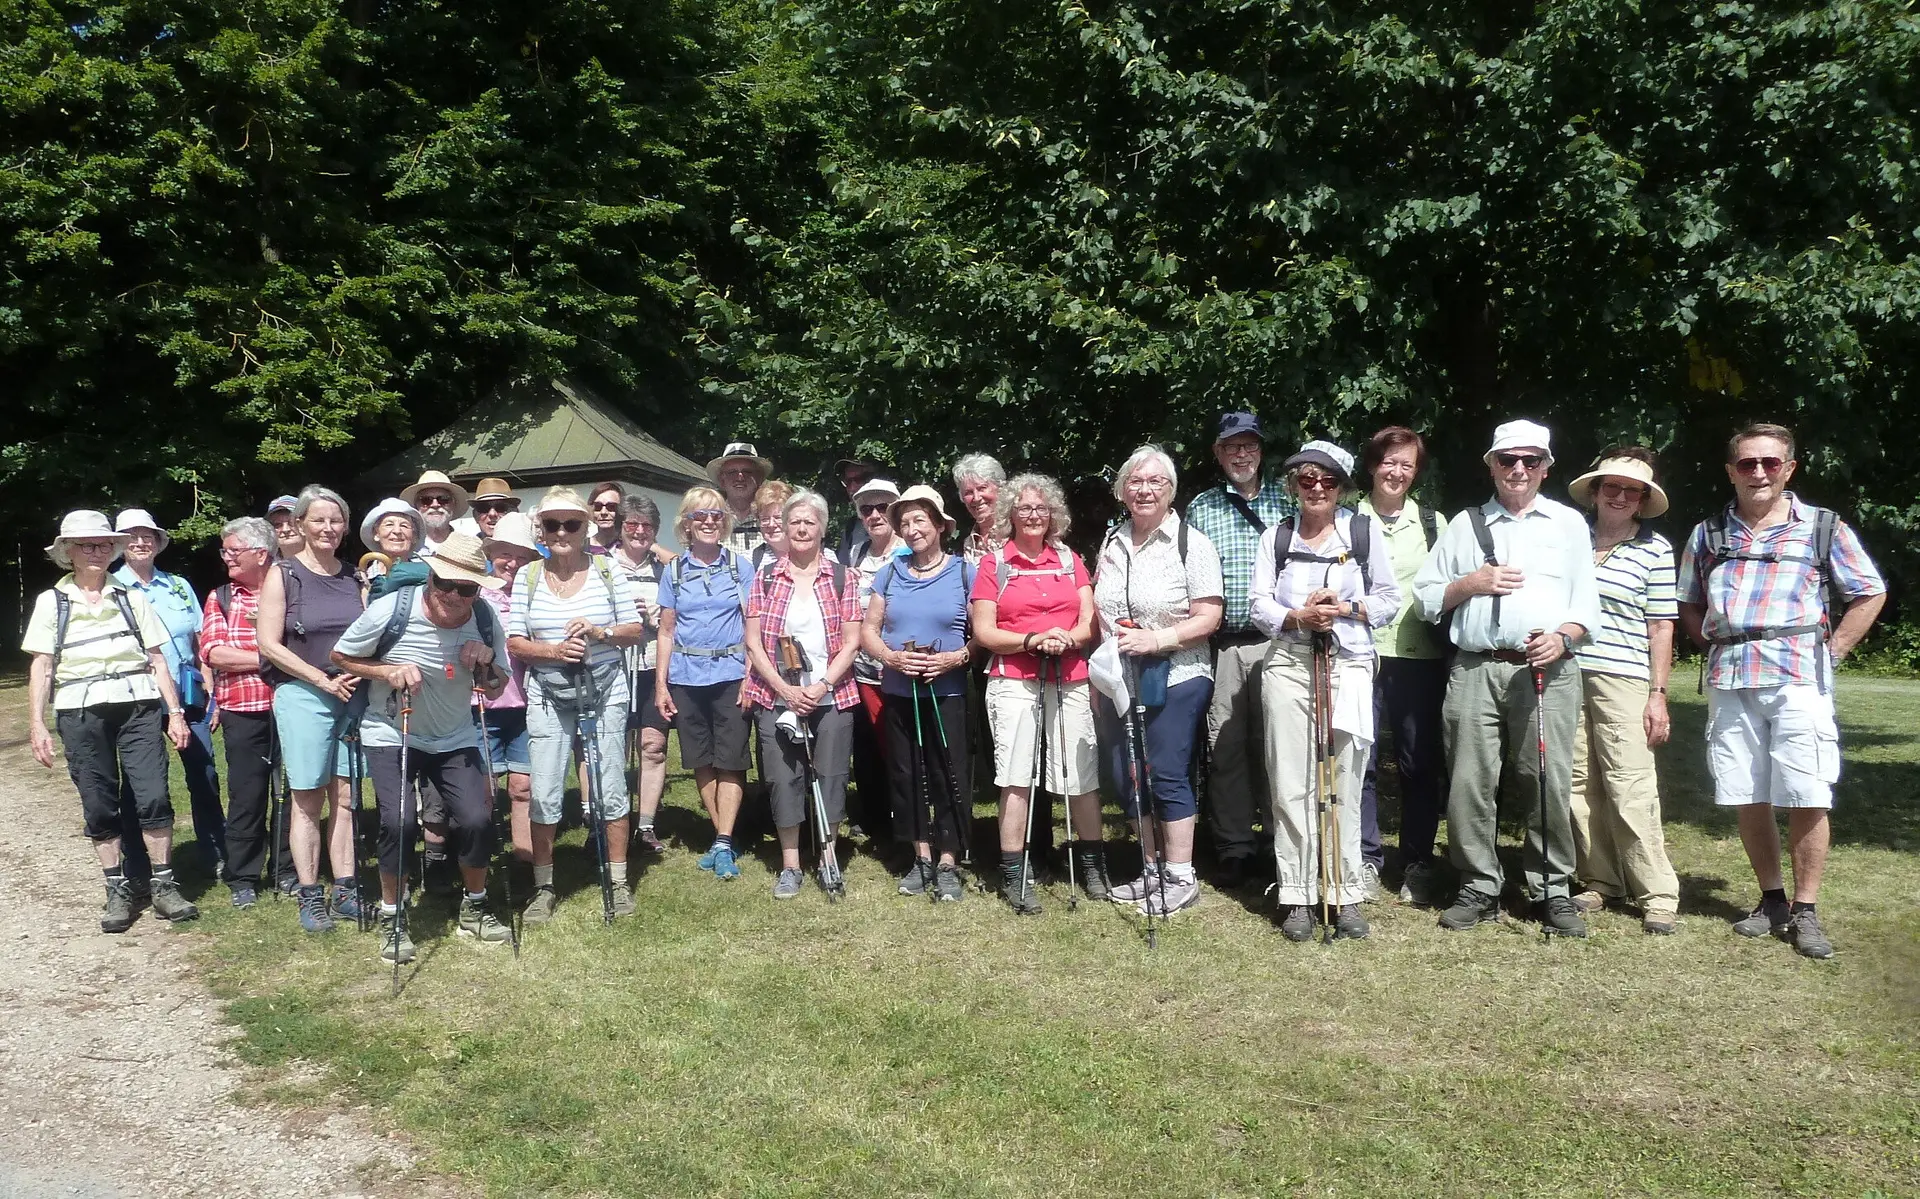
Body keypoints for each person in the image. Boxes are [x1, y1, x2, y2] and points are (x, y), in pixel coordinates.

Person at [1677, 423, 1886, 959]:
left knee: (1807, 791)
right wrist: (1709, 641)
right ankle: (1771, 900)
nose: (1760, 473)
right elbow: (1689, 599)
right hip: (1731, 678)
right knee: (1748, 791)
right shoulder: (1708, 533)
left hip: (1798, 677)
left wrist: (1834, 651)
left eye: (1771, 462)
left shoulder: (1823, 528)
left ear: (1789, 468)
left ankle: (1806, 911)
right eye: (1747, 464)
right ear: (1731, 471)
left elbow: (1868, 591)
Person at [1412, 420, 1603, 937]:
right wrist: (1470, 583)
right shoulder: (1465, 525)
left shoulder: (1568, 524)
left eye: (1531, 461)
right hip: (1475, 669)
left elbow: (1588, 602)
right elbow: (1426, 598)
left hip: (1549, 670)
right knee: (1470, 782)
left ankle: (1552, 888)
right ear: (1491, 465)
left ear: (1547, 467)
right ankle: (1478, 884)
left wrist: (1564, 636)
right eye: (1508, 460)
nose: (1519, 470)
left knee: (1545, 778)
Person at [333, 532, 513, 962]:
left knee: (476, 819)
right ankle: (393, 916)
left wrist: (486, 663)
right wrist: (388, 670)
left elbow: (496, 686)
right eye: (445, 583)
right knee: (399, 823)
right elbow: (341, 656)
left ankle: (475, 906)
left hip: (454, 736)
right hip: (392, 731)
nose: (453, 594)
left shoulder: (484, 617)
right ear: (430, 578)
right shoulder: (392, 609)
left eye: (466, 587)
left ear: (477, 590)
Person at [1249, 442, 1401, 940]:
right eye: (1307, 480)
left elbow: (1389, 599)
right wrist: (1297, 615)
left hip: (1349, 664)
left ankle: (1344, 892)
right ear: (1293, 484)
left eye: (1327, 481)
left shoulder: (1362, 530)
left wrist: (1345, 608)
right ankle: (1296, 893)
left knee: (1344, 780)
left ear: (1341, 486)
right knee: (1291, 780)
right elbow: (1258, 606)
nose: (1317, 489)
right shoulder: (1277, 535)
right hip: (1290, 665)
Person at [24, 511, 199, 932]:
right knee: (99, 801)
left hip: (137, 705)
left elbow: (156, 658)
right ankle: (117, 888)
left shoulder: (131, 596)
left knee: (154, 794)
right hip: (80, 710)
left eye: (104, 544)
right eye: (87, 545)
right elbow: (43, 666)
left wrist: (174, 713)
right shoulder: (53, 601)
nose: (97, 551)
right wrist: (37, 724)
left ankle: (163, 884)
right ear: (68, 551)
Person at [1093, 446, 1225, 917]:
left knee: (1167, 772)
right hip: (1120, 678)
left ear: (1170, 490)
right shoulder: (1112, 541)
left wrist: (1159, 637)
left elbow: (1209, 616)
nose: (1145, 490)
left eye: (1156, 482)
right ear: (1123, 489)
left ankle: (1180, 874)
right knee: (1128, 773)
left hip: (1179, 673)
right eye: (1136, 481)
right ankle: (1149, 868)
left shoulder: (1192, 542)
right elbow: (1100, 608)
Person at [507, 489, 647, 923]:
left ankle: (619, 882)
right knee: (545, 790)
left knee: (610, 785)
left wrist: (600, 633)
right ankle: (544, 887)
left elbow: (634, 629)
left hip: (605, 690)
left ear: (587, 527)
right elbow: (514, 641)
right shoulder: (528, 576)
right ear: (541, 530)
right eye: (553, 525)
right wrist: (552, 651)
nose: (562, 532)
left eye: (572, 524)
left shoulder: (607, 570)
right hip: (547, 695)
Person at [1563, 448, 1683, 935]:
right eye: (1610, 486)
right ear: (1595, 492)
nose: (1619, 496)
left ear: (1642, 500)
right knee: (1575, 784)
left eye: (1630, 491)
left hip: (1624, 678)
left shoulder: (1655, 550)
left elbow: (1661, 626)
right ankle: (1599, 879)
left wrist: (1658, 693)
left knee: (1629, 784)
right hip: (1565, 672)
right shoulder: (1567, 539)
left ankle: (1656, 892)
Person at [969, 473, 1101, 914]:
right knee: (1015, 773)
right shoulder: (995, 565)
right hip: (1013, 677)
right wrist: (1031, 640)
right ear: (1010, 514)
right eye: (1024, 508)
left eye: (1040, 508)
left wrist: (1067, 637)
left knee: (1080, 772)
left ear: (1053, 515)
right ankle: (1014, 871)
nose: (1032, 515)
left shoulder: (1069, 559)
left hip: (1069, 673)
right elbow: (985, 631)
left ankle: (1092, 867)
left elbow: (1088, 622)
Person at [1182, 412, 1295, 889]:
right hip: (1225, 644)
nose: (1242, 455)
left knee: (1279, 746)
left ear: (1261, 451)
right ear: (1218, 454)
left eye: (1249, 446)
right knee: (1225, 747)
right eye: (1232, 447)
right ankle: (1233, 846)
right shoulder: (1202, 508)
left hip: (1285, 641)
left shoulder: (1289, 498)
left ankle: (1279, 841)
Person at [255, 485, 367, 933]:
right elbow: (268, 643)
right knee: (307, 797)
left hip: (352, 696)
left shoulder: (353, 578)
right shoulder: (283, 574)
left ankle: (345, 888)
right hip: (304, 694)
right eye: (318, 520)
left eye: (335, 520)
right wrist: (321, 679)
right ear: (300, 525)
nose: (328, 528)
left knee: (346, 798)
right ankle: (309, 892)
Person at [743, 490, 863, 898]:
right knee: (782, 779)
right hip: (776, 695)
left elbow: (852, 641)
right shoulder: (765, 577)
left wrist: (821, 685)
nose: (800, 528)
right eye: (794, 521)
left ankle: (828, 856)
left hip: (832, 694)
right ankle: (791, 864)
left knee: (831, 777)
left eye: (809, 522)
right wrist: (783, 689)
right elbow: (754, 642)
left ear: (823, 529)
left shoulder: (844, 576)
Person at [862, 485, 975, 901]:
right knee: (906, 773)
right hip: (898, 688)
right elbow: (868, 631)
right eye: (904, 522)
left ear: (941, 525)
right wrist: (891, 659)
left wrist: (954, 659)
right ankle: (921, 857)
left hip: (947, 692)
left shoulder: (965, 571)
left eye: (919, 520)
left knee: (949, 771)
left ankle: (949, 859)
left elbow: (979, 637)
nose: (911, 529)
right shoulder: (889, 572)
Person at [1354, 426, 1451, 906]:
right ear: (1373, 465)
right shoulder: (1348, 518)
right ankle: (1366, 857)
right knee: (1361, 760)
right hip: (1357, 656)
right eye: (1388, 461)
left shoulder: (1436, 523)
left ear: (1416, 472)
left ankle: (1418, 860)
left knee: (1418, 763)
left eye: (1406, 464)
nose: (1396, 471)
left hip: (1419, 657)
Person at [110, 508, 225, 884]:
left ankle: (216, 851)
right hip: (137, 698)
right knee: (140, 783)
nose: (141, 542)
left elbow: (199, 641)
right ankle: (138, 862)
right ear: (119, 544)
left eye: (148, 535)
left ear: (158, 543)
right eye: (132, 536)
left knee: (205, 772)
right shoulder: (111, 589)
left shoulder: (177, 585)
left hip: (188, 694)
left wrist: (211, 686)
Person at [656, 487, 759, 879]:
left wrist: (752, 674)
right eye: (701, 516)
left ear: (725, 522)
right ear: (687, 523)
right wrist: (661, 685)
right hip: (685, 677)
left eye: (716, 515)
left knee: (731, 760)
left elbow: (753, 627)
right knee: (701, 759)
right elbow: (666, 631)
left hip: (732, 674)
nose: (709, 522)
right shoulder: (675, 571)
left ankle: (722, 841)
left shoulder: (739, 567)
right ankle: (723, 839)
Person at [199, 516, 278, 909]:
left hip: (291, 707)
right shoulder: (222, 597)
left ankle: (288, 870)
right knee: (247, 794)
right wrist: (270, 658)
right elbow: (214, 653)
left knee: (294, 792)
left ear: (260, 554)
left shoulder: (288, 590)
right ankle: (243, 875)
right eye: (225, 551)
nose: (226, 557)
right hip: (242, 709)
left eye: (233, 550)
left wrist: (249, 657)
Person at [848, 477, 906, 855]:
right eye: (866, 509)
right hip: (863, 669)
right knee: (868, 748)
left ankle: (906, 824)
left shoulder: (909, 552)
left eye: (882, 507)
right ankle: (875, 821)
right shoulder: (855, 556)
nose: (874, 515)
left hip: (903, 667)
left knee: (900, 749)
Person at [480, 512, 540, 875]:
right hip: (483, 703)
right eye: (505, 553)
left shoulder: (536, 592)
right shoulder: (478, 594)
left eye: (522, 555)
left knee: (522, 787)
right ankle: (481, 862)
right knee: (484, 790)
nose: (512, 562)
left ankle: (523, 862)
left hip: (528, 702)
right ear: (493, 553)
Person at [610, 495, 670, 853]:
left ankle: (645, 825)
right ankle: (606, 820)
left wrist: (655, 617)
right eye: (631, 524)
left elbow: (676, 620)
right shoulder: (602, 565)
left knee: (653, 746)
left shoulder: (665, 569)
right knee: (611, 748)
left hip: (652, 668)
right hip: (611, 668)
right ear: (621, 528)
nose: (638, 531)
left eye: (646, 526)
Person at [707, 442, 773, 556]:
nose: (740, 477)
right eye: (732, 472)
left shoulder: (773, 519)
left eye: (747, 472)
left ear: (759, 478)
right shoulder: (710, 520)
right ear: (722, 480)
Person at [358, 498, 429, 601]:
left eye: (404, 526)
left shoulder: (426, 575)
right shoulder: (361, 578)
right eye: (389, 524)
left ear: (414, 537)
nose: (397, 531)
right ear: (376, 534)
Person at [399, 470, 469, 557]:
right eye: (426, 500)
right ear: (416, 506)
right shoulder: (404, 547)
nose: (435, 505)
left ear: (453, 505)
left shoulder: (469, 547)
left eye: (443, 499)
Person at [952, 454, 1006, 563]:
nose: (976, 498)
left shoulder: (1016, 534)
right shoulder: (969, 544)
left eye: (982, 488)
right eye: (968, 492)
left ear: (1000, 488)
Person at [833, 457, 881, 560]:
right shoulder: (851, 527)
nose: (852, 488)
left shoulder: (899, 523)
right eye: (848, 481)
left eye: (859, 479)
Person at [751, 478, 796, 571]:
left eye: (778, 518)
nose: (771, 524)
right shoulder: (749, 561)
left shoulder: (820, 556)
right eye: (765, 519)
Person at [588, 481, 625, 555]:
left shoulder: (628, 547)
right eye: (598, 506)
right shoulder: (580, 547)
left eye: (611, 507)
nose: (603, 512)